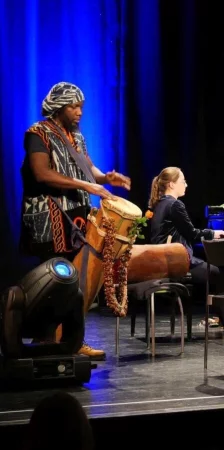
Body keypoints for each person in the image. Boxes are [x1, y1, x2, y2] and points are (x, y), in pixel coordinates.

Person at [19, 81, 131, 359]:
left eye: (81, 107)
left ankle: (72, 340)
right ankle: (46, 339)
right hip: (49, 217)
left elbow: (89, 169)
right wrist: (86, 186)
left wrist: (106, 178)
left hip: (76, 218)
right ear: (59, 107)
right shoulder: (38, 133)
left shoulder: (76, 137)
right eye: (73, 107)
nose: (79, 112)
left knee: (76, 284)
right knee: (54, 281)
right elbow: (42, 173)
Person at [148, 167, 224, 332]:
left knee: (214, 270)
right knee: (217, 273)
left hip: (164, 260)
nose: (186, 184)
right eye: (183, 181)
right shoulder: (175, 205)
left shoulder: (160, 204)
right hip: (175, 263)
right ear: (171, 184)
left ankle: (222, 317)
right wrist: (214, 233)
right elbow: (192, 234)